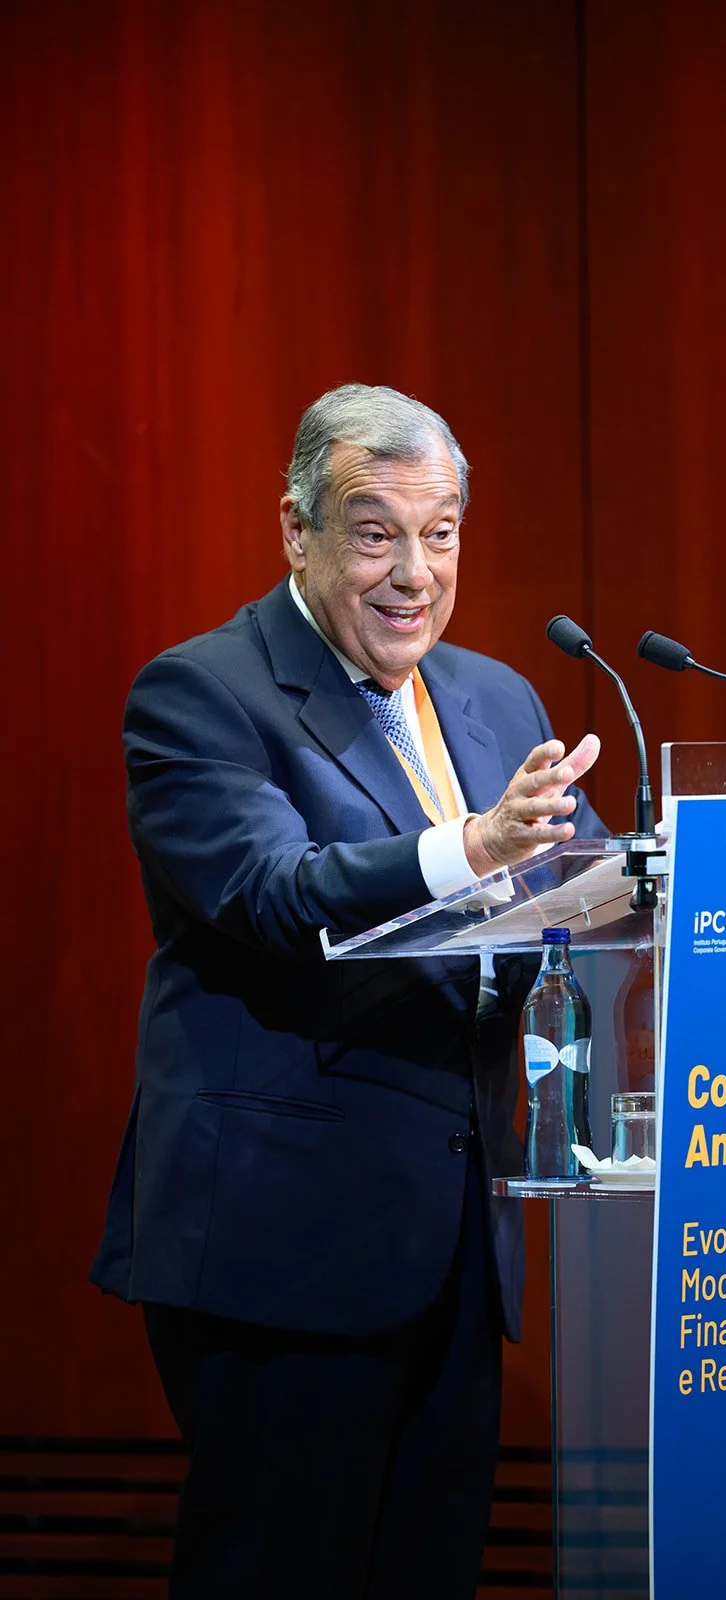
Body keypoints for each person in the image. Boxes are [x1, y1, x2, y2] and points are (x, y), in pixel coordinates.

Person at [91, 384, 604, 1599]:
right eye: (374, 532)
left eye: (439, 534)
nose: (412, 572)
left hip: (458, 1243)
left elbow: (546, 901)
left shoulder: (496, 698)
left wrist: (626, 884)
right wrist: (474, 848)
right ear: (295, 530)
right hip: (284, 1248)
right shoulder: (201, 694)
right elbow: (275, 891)